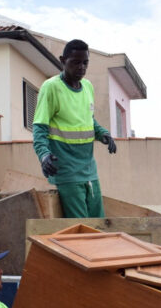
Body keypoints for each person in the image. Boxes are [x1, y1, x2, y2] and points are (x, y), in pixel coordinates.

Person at [32, 38, 117, 218]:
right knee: (82, 229)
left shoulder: (87, 87)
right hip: (66, 170)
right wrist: (44, 155)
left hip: (89, 169)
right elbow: (39, 128)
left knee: (99, 224)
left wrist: (103, 134)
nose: (82, 67)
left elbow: (88, 121)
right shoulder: (51, 87)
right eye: (76, 62)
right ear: (63, 61)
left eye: (85, 62)